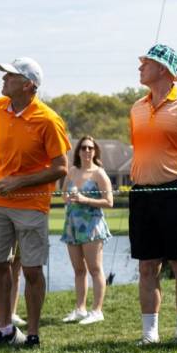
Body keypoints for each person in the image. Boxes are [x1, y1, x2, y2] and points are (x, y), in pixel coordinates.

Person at [0, 57, 69, 347]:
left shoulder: (48, 119)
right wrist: (5, 182)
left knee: (32, 270)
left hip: (31, 205)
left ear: (28, 85)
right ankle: (6, 329)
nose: (3, 79)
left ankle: (32, 333)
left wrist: (18, 182)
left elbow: (61, 168)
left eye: (10, 76)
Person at [128, 44, 177, 345]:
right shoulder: (136, 107)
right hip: (142, 194)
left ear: (163, 69)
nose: (140, 68)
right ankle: (150, 335)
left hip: (176, 193)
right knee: (147, 265)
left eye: (145, 63)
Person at [61, 136, 112, 326]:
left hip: (92, 227)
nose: (87, 151)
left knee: (95, 269)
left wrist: (85, 200)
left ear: (95, 151)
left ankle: (97, 310)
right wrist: (69, 197)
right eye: (83, 148)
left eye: (90, 148)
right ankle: (80, 309)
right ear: (78, 151)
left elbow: (109, 202)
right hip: (72, 225)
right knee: (78, 270)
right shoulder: (72, 171)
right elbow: (64, 194)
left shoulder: (99, 173)